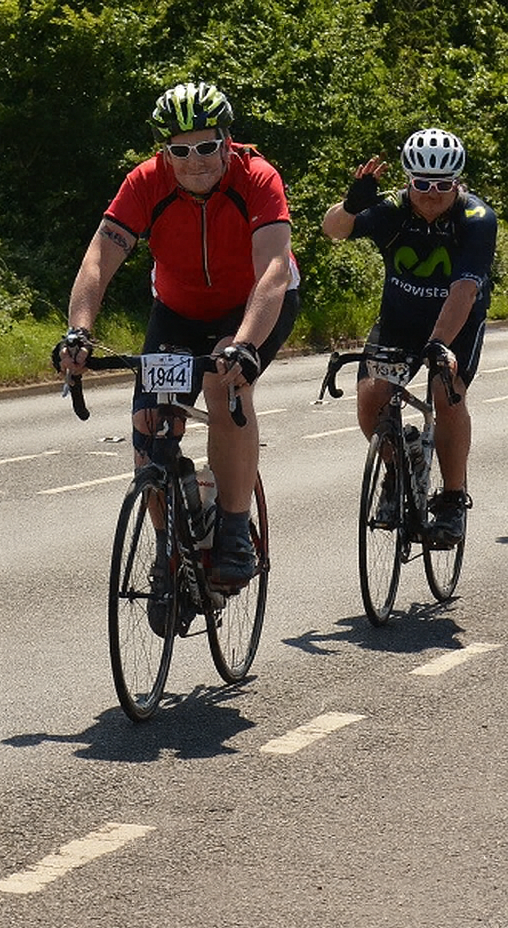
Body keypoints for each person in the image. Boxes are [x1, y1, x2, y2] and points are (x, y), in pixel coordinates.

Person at [58, 81, 299, 617]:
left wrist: (242, 346)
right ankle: (169, 552)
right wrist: (79, 330)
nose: (194, 161)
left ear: (227, 141)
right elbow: (100, 257)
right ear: (164, 151)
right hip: (178, 309)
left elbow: (275, 270)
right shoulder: (146, 182)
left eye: (206, 146)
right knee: (148, 423)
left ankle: (235, 526)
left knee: (223, 376)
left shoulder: (257, 178)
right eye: (180, 149)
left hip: (255, 304)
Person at [320, 128, 494, 546]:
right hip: (399, 320)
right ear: (407, 180)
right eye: (421, 184)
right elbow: (333, 230)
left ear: (458, 182)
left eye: (443, 185)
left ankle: (452, 499)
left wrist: (438, 344)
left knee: (445, 389)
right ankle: (401, 465)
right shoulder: (392, 210)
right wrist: (350, 205)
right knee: (371, 399)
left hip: (457, 321)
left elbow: (464, 290)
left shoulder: (476, 219)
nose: (432, 194)